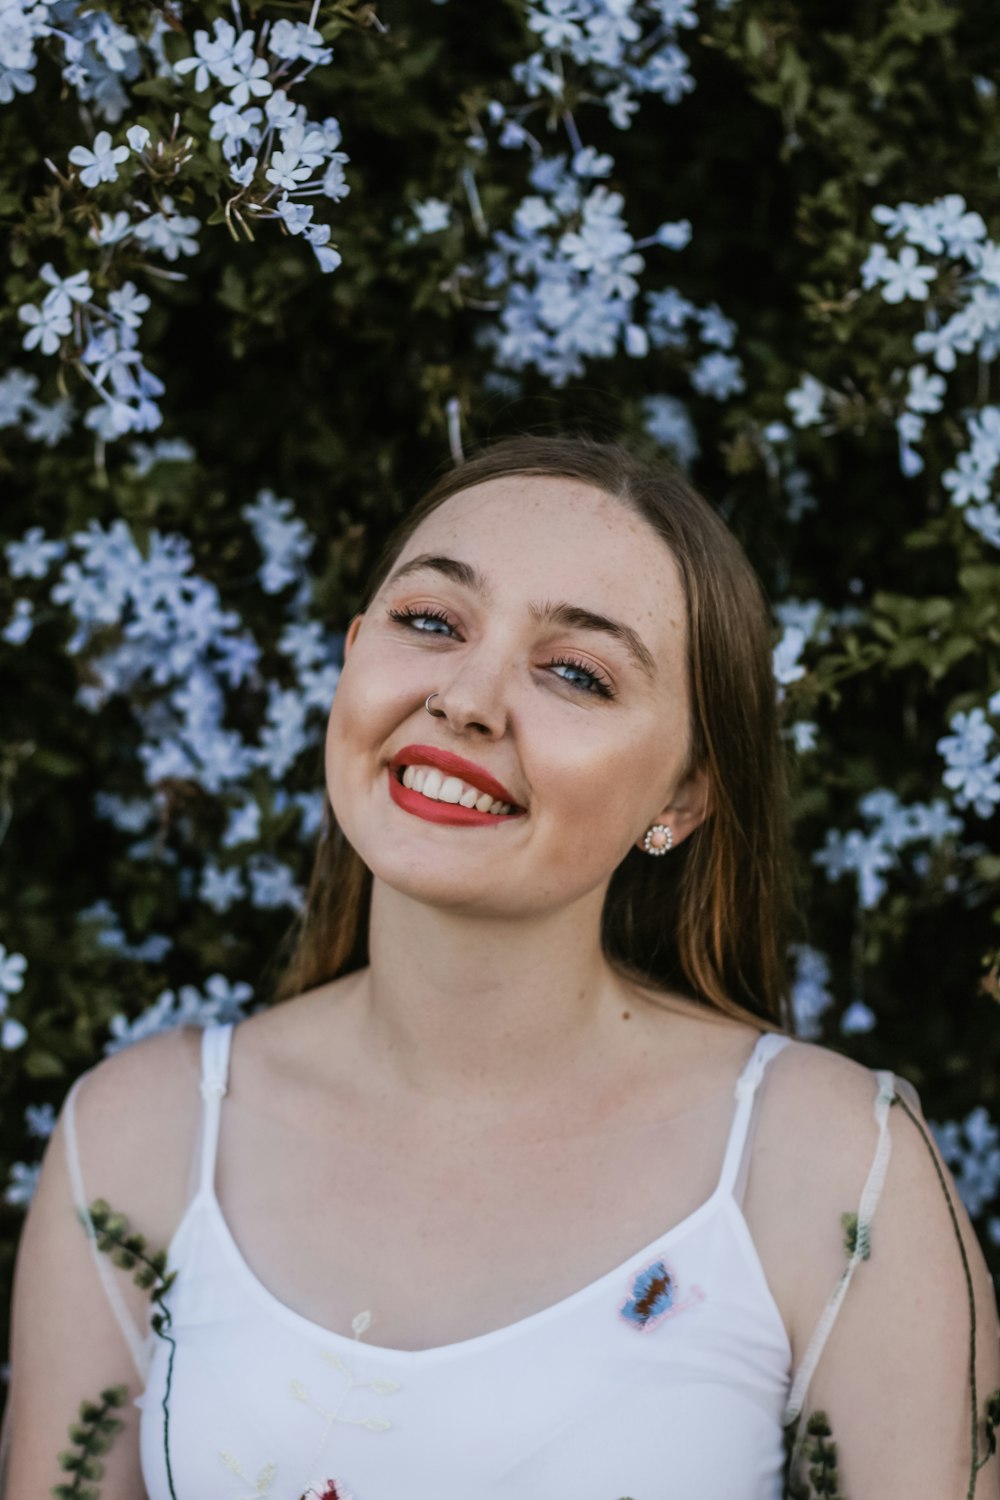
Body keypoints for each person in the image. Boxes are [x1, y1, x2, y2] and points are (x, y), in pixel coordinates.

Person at [3, 433, 998, 1500]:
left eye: (576, 672)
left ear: (684, 795)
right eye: (430, 621)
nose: (467, 698)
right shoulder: (135, 1143)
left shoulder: (834, 1171)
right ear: (351, 654)